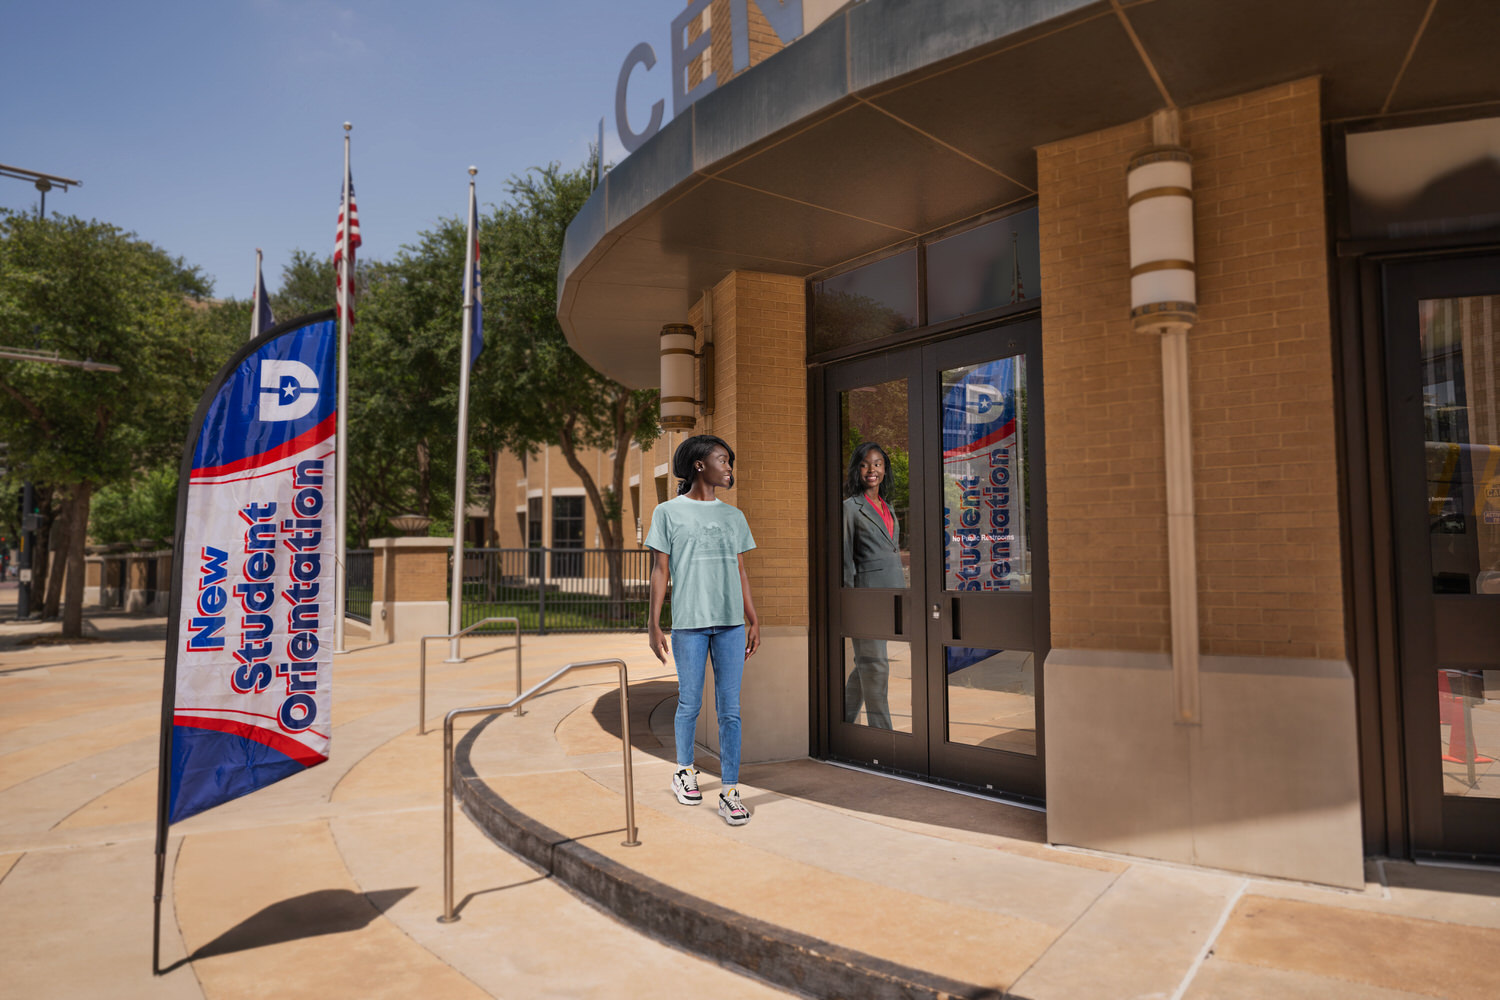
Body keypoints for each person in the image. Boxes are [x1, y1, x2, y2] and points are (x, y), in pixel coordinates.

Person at [646, 434, 761, 826]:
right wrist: (653, 623)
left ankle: (730, 791)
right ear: (699, 465)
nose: (728, 467)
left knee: (730, 710)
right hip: (689, 624)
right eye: (722, 460)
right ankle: (684, 771)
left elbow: (740, 570)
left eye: (729, 461)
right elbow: (660, 570)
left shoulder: (734, 517)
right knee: (690, 702)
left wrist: (753, 618)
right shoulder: (667, 512)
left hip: (730, 625)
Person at [842, 442, 904, 730]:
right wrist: (850, 603)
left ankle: (842, 723)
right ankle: (883, 735)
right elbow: (844, 561)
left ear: (884, 469)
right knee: (876, 666)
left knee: (867, 665)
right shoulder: (849, 509)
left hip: (891, 598)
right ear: (857, 469)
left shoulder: (888, 508)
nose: (872, 470)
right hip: (865, 600)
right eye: (865, 464)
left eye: (878, 464)